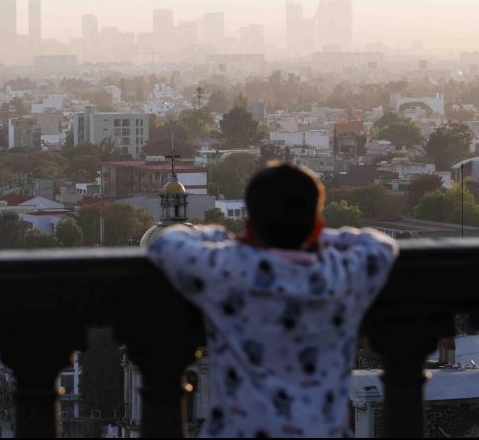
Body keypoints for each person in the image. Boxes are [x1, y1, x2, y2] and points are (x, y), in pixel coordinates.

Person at [147, 162, 399, 438]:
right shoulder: (340, 273)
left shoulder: (227, 269)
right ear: (316, 228)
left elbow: (166, 244)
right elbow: (381, 245)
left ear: (249, 226)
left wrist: (223, 236)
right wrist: (318, 236)